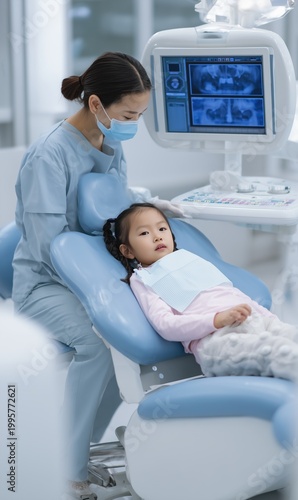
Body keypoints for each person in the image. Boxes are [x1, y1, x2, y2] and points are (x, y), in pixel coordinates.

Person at [12, 52, 183, 500]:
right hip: (45, 284)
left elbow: (114, 205)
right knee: (98, 342)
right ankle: (65, 467)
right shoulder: (48, 157)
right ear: (96, 105)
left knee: (132, 337)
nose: (133, 123)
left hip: (98, 277)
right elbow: (50, 244)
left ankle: (80, 445)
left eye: (140, 114)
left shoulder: (111, 142)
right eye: (128, 114)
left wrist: (149, 208)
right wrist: (100, 293)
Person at [103, 202, 298, 382]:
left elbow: (233, 294)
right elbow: (166, 325)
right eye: (144, 233)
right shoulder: (144, 279)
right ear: (128, 251)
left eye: (162, 229)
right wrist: (216, 320)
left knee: (290, 336)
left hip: (254, 322)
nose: (157, 236)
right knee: (280, 353)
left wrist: (270, 320)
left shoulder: (188, 260)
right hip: (217, 341)